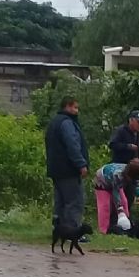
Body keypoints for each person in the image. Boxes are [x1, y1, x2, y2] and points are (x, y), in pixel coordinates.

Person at [45, 96, 90, 238]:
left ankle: (59, 230)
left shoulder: (54, 123)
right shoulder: (67, 123)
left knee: (60, 202)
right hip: (69, 170)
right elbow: (73, 145)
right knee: (74, 201)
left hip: (56, 169)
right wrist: (81, 164)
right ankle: (73, 232)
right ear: (68, 107)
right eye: (75, 107)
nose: (77, 111)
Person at [108, 110, 139, 221]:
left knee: (130, 195)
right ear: (131, 120)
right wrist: (127, 146)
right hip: (119, 168)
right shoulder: (121, 131)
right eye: (138, 122)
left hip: (133, 171)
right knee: (117, 194)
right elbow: (112, 144)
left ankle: (126, 219)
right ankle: (113, 220)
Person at [94, 161, 139, 234]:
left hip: (116, 184)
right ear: (128, 175)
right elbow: (115, 193)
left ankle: (127, 227)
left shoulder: (134, 173)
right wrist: (120, 209)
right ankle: (103, 230)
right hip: (102, 182)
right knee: (105, 206)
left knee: (124, 202)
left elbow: (136, 184)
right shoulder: (118, 175)